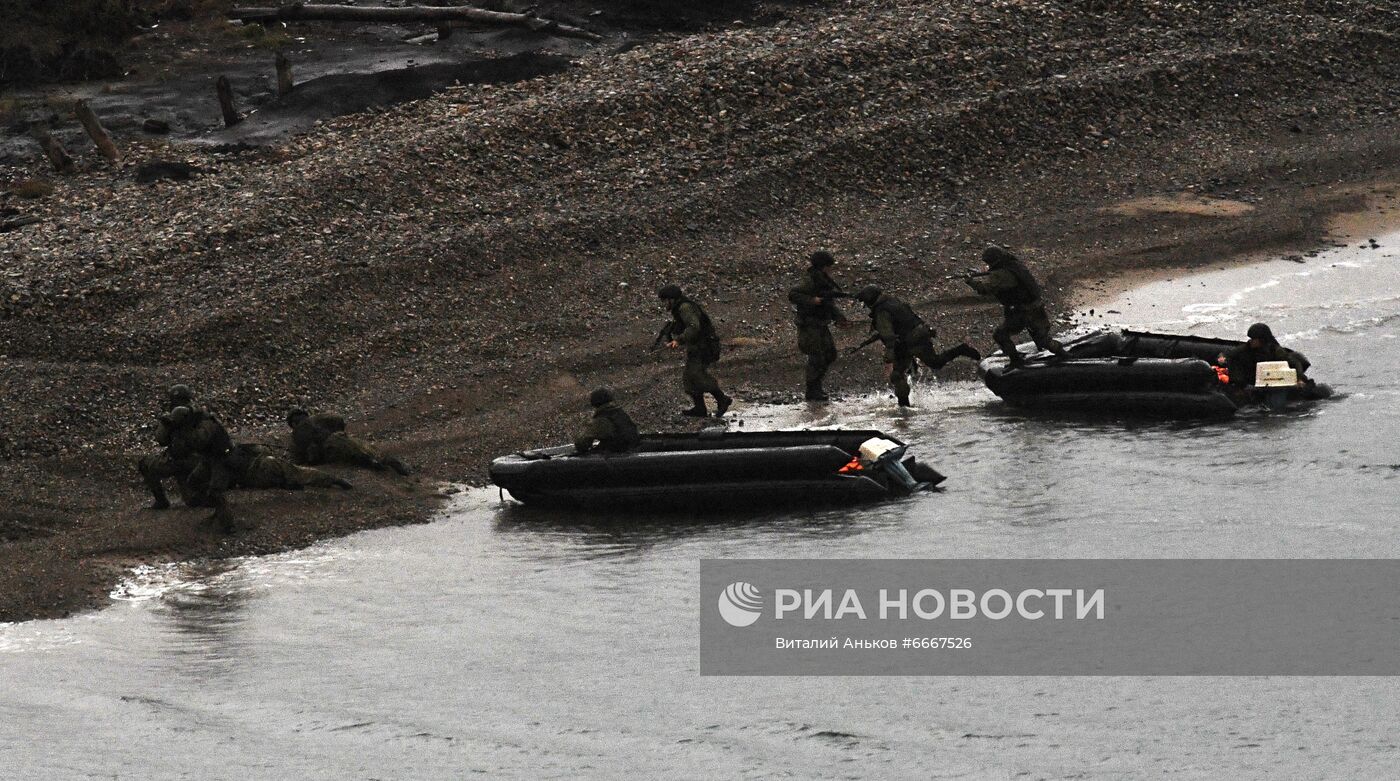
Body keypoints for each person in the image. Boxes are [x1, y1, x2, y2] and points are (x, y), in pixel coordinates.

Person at [854, 286, 981, 407]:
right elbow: (903, 321)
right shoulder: (893, 302)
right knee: (932, 363)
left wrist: (889, 355)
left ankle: (904, 409)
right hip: (918, 335)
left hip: (908, 342)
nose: (865, 306)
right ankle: (961, 349)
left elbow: (888, 336)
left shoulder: (881, 311)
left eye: (865, 302)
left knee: (900, 374)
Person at [964, 245, 1069, 367]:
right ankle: (1063, 354)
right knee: (1042, 338)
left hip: (1021, 311)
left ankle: (1016, 361)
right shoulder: (1014, 265)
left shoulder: (1002, 274)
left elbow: (986, 290)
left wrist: (971, 282)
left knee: (1000, 335)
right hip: (1035, 307)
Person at [788, 250, 855, 401]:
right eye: (829, 267)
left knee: (830, 354)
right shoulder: (810, 280)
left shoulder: (823, 281)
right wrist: (812, 300)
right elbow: (793, 294)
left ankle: (816, 387)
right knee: (816, 356)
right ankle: (812, 390)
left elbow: (828, 303)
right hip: (809, 325)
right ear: (823, 266)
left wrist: (840, 318)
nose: (831, 270)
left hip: (821, 324)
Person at [657, 285, 733, 417]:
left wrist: (679, 340)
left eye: (665, 301)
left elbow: (694, 326)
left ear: (671, 299)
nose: (664, 304)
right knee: (689, 378)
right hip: (698, 347)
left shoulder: (685, 308)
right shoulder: (680, 308)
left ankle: (722, 399)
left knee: (697, 376)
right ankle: (700, 408)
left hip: (705, 347)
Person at [286, 409, 411, 475]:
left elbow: (306, 455)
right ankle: (386, 461)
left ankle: (373, 462)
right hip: (339, 436)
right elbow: (337, 419)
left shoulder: (296, 435)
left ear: (293, 423)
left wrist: (313, 462)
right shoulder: (317, 419)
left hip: (330, 448)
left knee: (354, 456)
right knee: (361, 447)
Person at [227, 443, 354, 491]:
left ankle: (286, 483)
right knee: (301, 473)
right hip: (266, 465)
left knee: (294, 476)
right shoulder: (238, 448)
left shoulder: (219, 461)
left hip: (255, 479)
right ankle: (335, 480)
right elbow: (261, 449)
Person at [1222, 323, 1310, 388]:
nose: (1251, 341)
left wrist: (1299, 379)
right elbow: (1230, 353)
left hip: (1272, 382)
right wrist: (1222, 357)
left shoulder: (1275, 351)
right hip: (1253, 381)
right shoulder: (1247, 348)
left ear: (1261, 339)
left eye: (1254, 339)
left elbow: (1294, 363)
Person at [574, 388, 642, 454]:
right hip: (631, 451)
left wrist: (578, 438)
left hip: (619, 455)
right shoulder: (619, 413)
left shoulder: (603, 418)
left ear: (594, 402)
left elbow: (583, 444)